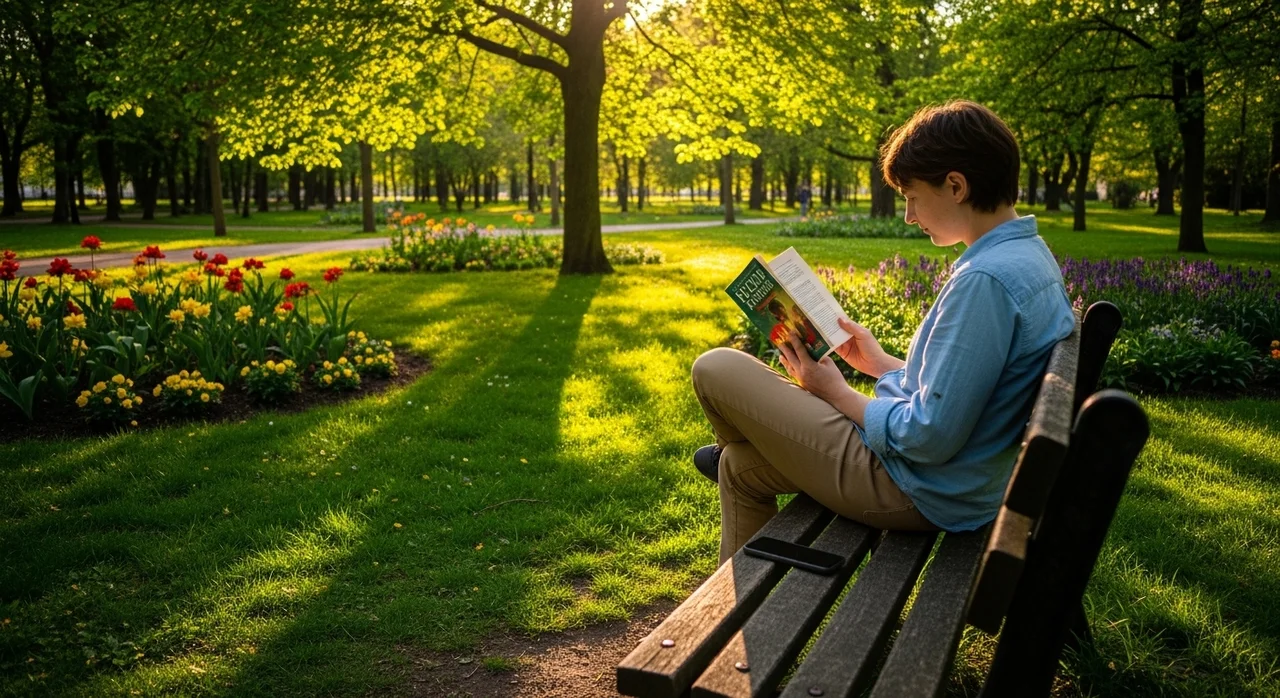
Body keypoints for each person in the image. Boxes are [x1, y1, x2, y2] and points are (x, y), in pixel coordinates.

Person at [690, 100, 1075, 564]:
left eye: (912, 197)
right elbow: (966, 389)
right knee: (740, 469)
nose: (910, 216)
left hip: (916, 488)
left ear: (955, 185)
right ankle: (737, 621)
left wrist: (836, 393)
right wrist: (878, 364)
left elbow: (929, 436)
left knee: (716, 366)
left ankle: (735, 441)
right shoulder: (1026, 256)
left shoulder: (985, 281)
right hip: (958, 482)